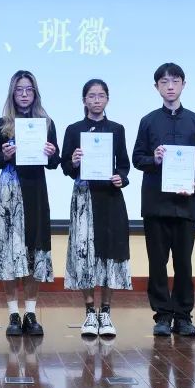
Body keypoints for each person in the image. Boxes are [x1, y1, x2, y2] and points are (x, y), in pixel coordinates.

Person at [131, 62, 195, 337]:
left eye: (175, 81)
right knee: (157, 262)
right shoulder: (148, 121)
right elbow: (137, 158)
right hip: (156, 204)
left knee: (184, 263)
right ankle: (162, 315)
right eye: (164, 82)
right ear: (157, 87)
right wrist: (154, 159)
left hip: (186, 204)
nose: (170, 86)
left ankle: (184, 316)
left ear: (183, 85)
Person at [0, 70, 60, 337]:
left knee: (34, 250)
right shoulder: (1, 124)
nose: (25, 94)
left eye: (29, 89)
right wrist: (5, 155)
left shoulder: (46, 123)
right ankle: (13, 314)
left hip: (35, 191)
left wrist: (51, 153)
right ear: (12, 93)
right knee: (9, 252)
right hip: (10, 192)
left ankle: (30, 312)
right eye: (19, 90)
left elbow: (55, 163)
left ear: (35, 93)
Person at [60, 79, 131, 338]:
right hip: (84, 197)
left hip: (110, 197)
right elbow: (65, 167)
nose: (96, 100)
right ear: (84, 100)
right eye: (91, 96)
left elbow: (124, 165)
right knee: (84, 254)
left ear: (107, 99)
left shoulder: (117, 129)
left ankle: (106, 313)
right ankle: (90, 312)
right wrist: (74, 161)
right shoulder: (73, 130)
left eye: (101, 95)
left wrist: (121, 178)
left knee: (110, 253)